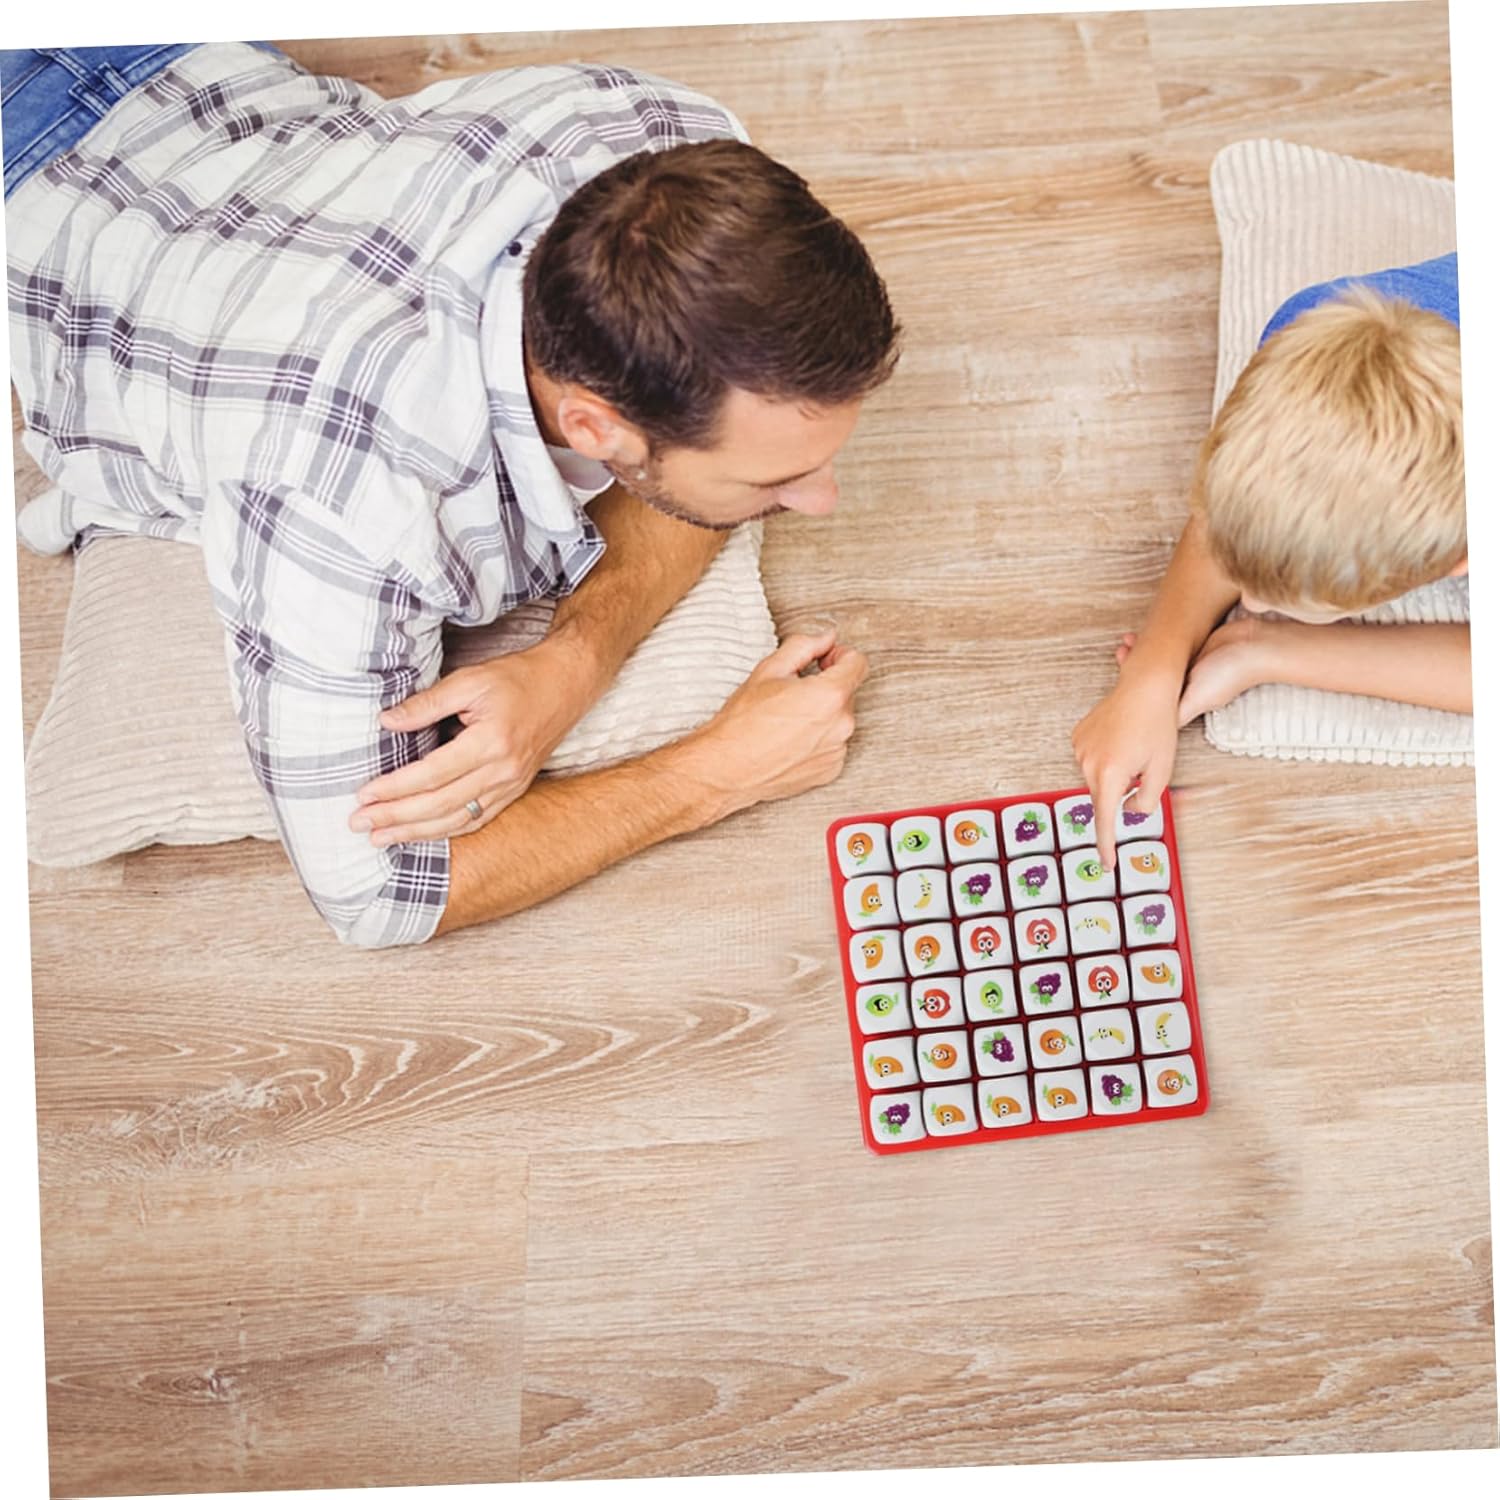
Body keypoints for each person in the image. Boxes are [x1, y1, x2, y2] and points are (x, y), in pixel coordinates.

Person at [3, 41, 901, 947]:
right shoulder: (341, 503)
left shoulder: (668, 135)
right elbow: (376, 895)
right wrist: (717, 772)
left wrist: (572, 663)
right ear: (594, 428)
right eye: (772, 480)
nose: (822, 498)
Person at [1072, 252, 1464, 868]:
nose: (1248, 600)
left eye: (1291, 601)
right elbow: (1231, 515)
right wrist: (1152, 668)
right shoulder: (1310, 327)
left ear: (1459, 564)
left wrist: (1272, 650)